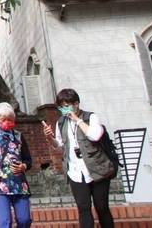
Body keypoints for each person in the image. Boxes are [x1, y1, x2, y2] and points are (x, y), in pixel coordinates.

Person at [43, 89, 114, 228]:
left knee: (102, 207)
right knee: (83, 208)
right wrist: (49, 137)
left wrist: (77, 120)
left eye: (66, 105)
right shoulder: (61, 122)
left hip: (97, 169)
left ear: (76, 104)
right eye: (61, 107)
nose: (64, 109)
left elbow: (95, 135)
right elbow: (59, 146)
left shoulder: (91, 117)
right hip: (75, 171)